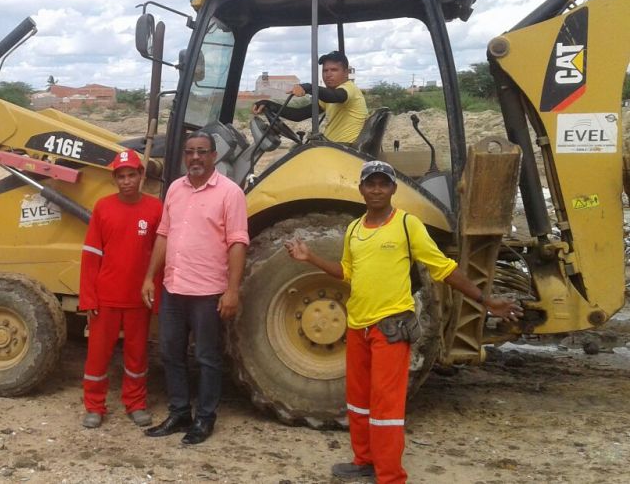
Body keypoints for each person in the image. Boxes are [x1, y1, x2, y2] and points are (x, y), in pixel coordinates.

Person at [285, 160, 523, 483]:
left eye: (383, 184)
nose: (377, 190)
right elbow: (347, 272)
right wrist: (310, 257)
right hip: (357, 327)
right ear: (361, 189)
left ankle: (390, 476)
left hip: (391, 328)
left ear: (393, 189)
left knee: (386, 408)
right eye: (371, 184)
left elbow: (444, 269)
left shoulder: (408, 225)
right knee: (358, 401)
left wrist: (486, 300)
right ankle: (364, 460)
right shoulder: (354, 229)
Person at [140, 131, 249, 445]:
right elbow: (164, 234)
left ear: (214, 155)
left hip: (207, 291)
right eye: (190, 152)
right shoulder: (175, 188)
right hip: (174, 288)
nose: (195, 157)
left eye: (202, 151)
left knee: (206, 357)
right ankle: (179, 413)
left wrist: (232, 290)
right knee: (170, 353)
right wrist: (149, 276)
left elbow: (238, 243)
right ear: (184, 156)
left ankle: (204, 418)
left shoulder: (230, 193)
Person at [79, 150, 163, 429]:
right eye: (121, 176)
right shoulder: (103, 207)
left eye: (131, 175)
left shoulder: (156, 209)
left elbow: (160, 256)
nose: (126, 181)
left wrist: (157, 298)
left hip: (139, 299)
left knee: (137, 355)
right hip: (106, 298)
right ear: (114, 179)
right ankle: (94, 406)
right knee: (97, 355)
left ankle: (136, 403)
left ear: (141, 175)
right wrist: (88, 297)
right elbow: (91, 254)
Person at [252, 50, 367, 143]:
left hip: (345, 149)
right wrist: (268, 104)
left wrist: (308, 87)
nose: (328, 74)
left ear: (346, 72)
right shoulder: (328, 97)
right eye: (325, 70)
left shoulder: (349, 88)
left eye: (334, 70)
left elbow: (336, 96)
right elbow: (299, 115)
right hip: (332, 146)